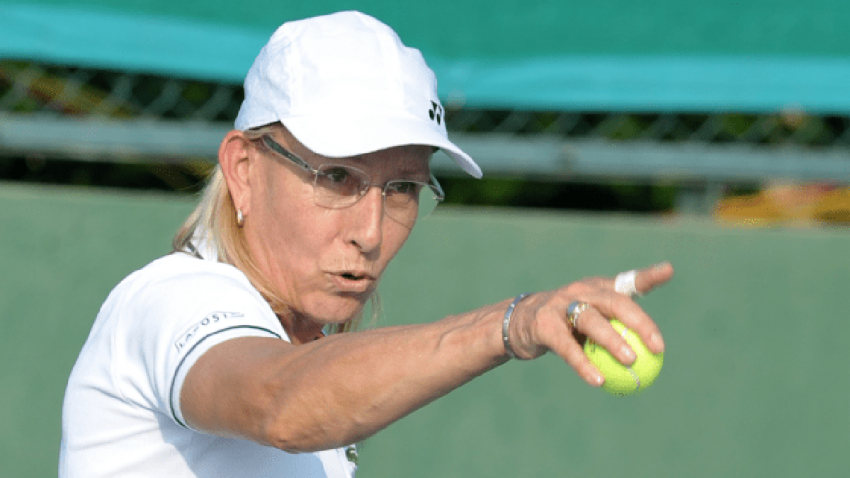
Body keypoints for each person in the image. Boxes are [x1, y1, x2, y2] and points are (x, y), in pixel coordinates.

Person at [59, 11, 674, 478]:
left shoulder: (305, 344)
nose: (372, 232)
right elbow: (280, 402)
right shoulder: (174, 299)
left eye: (402, 188)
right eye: (336, 177)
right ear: (244, 170)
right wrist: (509, 325)